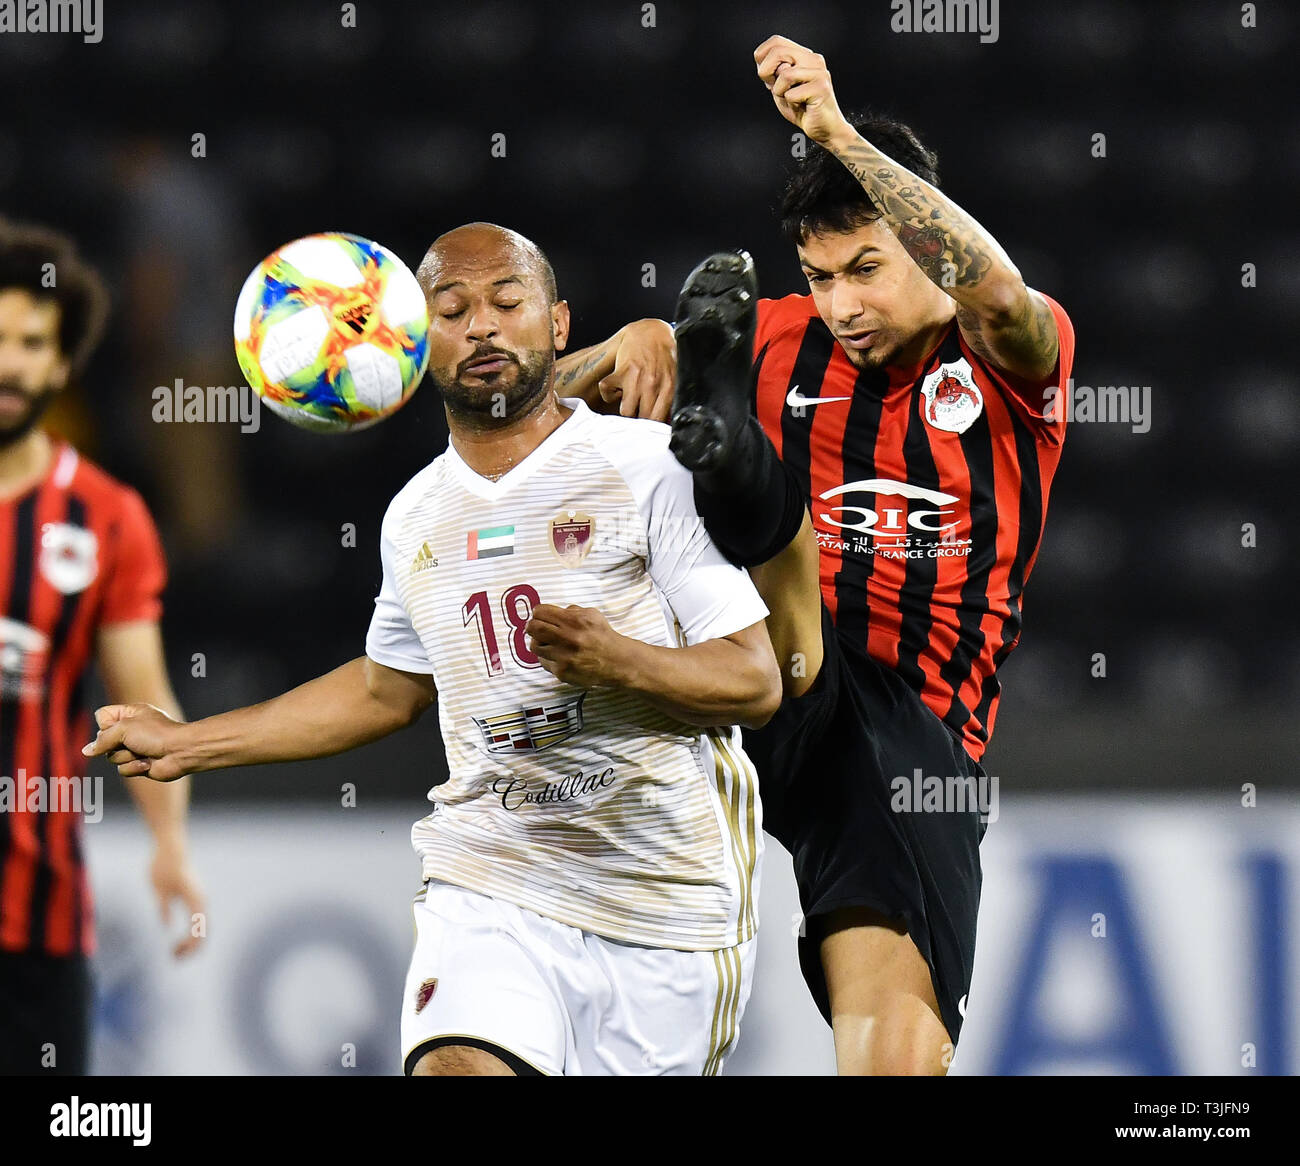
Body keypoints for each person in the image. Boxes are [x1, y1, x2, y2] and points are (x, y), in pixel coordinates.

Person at [85, 222, 782, 1077]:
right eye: (451, 310)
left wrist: (621, 661)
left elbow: (753, 680)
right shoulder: (415, 514)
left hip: (666, 901)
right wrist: (188, 742)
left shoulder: (646, 467)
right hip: (491, 877)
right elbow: (387, 690)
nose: (481, 326)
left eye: (506, 302)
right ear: (414, 343)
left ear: (559, 325)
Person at [573, 35, 1077, 1076]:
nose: (841, 306)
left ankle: (735, 474)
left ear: (923, 248)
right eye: (817, 276)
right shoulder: (773, 335)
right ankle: (724, 476)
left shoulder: (1011, 358)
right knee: (697, 478)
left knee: (893, 1053)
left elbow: (995, 300)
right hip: (741, 674)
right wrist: (615, 349)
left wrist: (837, 134)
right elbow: (535, 413)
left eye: (865, 269)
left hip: (905, 732)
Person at [0, 220, 205, 1076]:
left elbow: (144, 702)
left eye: (32, 344)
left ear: (61, 364)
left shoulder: (106, 516)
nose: (9, 363)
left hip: (37, 920)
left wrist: (172, 845)